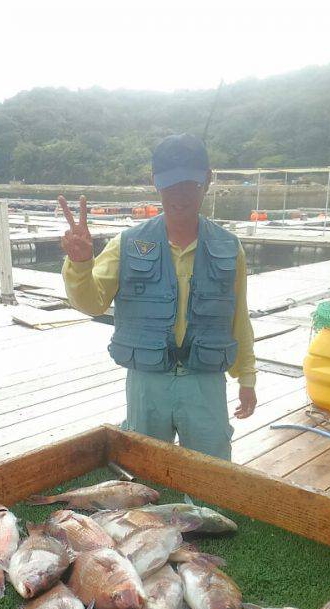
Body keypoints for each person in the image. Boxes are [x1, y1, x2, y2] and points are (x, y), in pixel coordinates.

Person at [60, 133, 257, 461]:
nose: (179, 195)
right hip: (147, 382)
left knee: (212, 471)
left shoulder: (229, 247)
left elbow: (239, 319)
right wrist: (81, 264)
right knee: (144, 470)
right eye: (170, 185)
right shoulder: (126, 243)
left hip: (205, 381)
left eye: (190, 184)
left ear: (207, 180)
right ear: (155, 183)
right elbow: (91, 302)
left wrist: (246, 377)